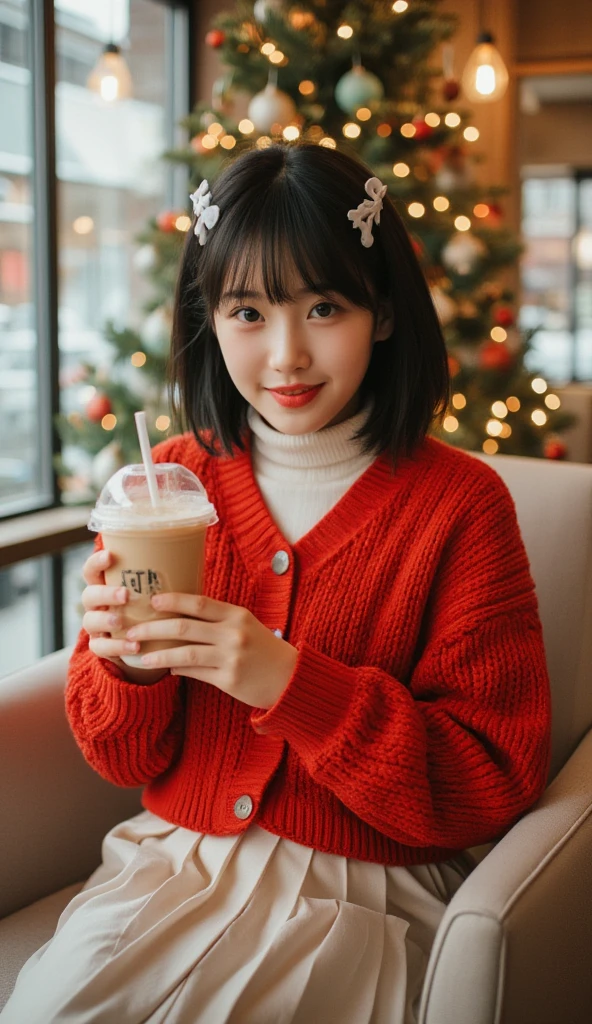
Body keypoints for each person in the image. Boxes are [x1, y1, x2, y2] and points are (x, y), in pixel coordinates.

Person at [1, 142, 552, 1024]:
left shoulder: (460, 506)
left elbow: (490, 781)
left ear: (381, 312)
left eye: (324, 306)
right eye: (248, 312)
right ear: (209, 319)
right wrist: (126, 668)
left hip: (363, 893)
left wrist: (293, 684)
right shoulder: (169, 484)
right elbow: (119, 756)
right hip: (172, 864)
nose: (286, 355)